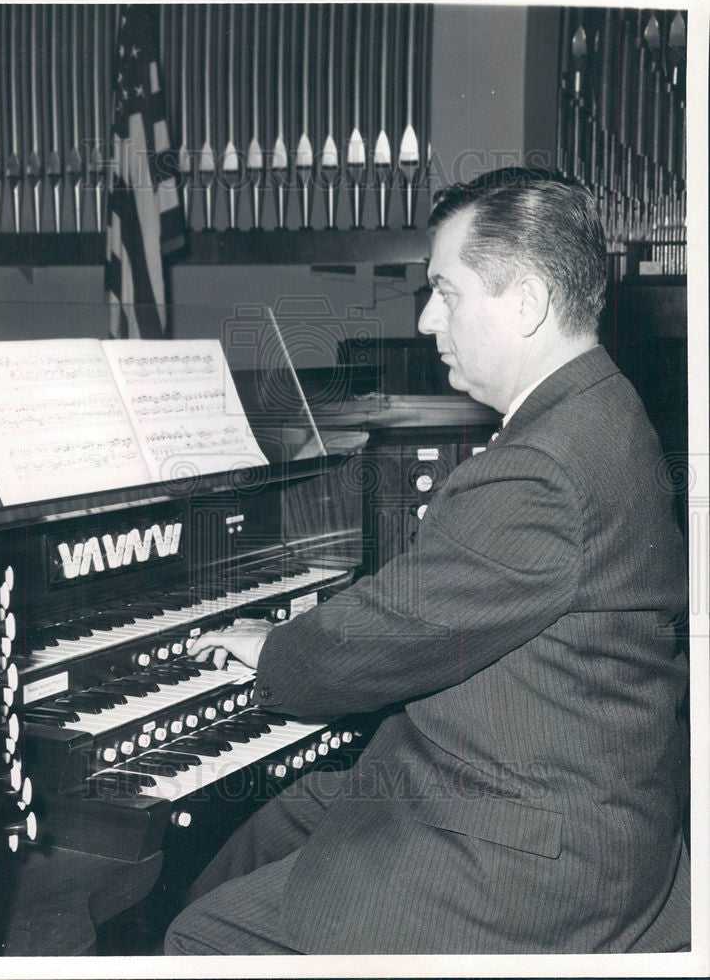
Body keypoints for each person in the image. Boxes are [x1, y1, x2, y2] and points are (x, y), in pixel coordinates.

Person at [164, 169, 690, 955]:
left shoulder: (543, 464)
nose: (422, 321)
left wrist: (276, 653)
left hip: (528, 847)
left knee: (201, 937)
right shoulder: (601, 408)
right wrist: (313, 626)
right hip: (540, 776)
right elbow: (434, 594)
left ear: (525, 303)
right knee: (263, 832)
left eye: (445, 292)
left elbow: (384, 636)